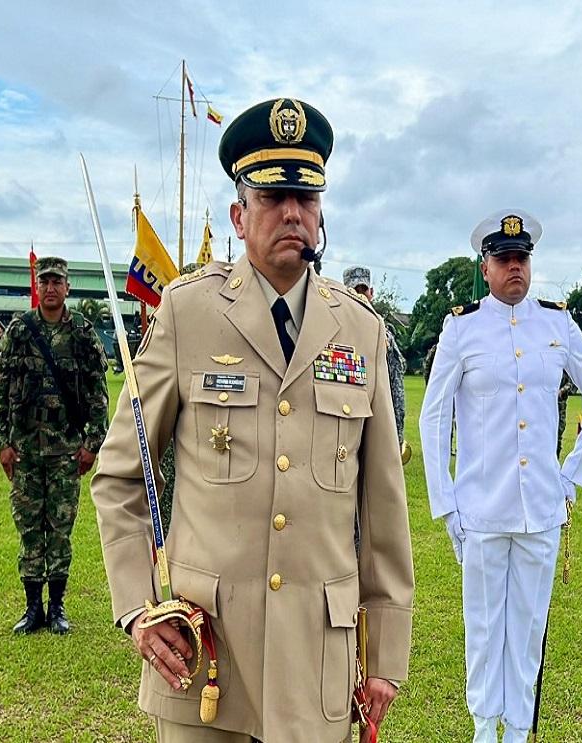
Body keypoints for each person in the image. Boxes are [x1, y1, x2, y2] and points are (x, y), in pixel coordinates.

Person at [91, 98, 414, 743]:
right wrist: (136, 609)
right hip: (207, 654)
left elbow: (382, 509)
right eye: (272, 196)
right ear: (240, 216)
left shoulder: (361, 331)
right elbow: (122, 477)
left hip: (317, 662)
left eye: (307, 197)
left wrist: (385, 658)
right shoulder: (188, 314)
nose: (292, 212)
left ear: (321, 215)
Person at [420, 209, 582, 743]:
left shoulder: (557, 324)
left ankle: (516, 731)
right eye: (503, 259)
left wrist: (571, 478)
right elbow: (433, 416)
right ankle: (485, 730)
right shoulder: (462, 328)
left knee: (528, 632)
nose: (514, 269)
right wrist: (446, 504)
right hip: (482, 509)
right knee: (484, 631)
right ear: (484, 267)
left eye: (522, 259)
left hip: (540, 510)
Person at [0, 257, 109, 635]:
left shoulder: (82, 334)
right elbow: (0, 386)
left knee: (59, 530)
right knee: (28, 530)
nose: (51, 287)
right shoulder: (19, 331)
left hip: (65, 453)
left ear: (67, 287)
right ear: (37, 287)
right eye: (45, 282)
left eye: (58, 281)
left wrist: (92, 444)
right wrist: (2, 443)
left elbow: (97, 393)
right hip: (25, 451)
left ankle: (56, 607)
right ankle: (32, 609)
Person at [343, 265, 408, 451]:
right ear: (344, 292)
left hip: (375, 419)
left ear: (371, 292)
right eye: (355, 291)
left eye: (364, 290)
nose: (361, 296)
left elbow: (396, 388)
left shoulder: (383, 334)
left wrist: (397, 436)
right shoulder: (331, 329)